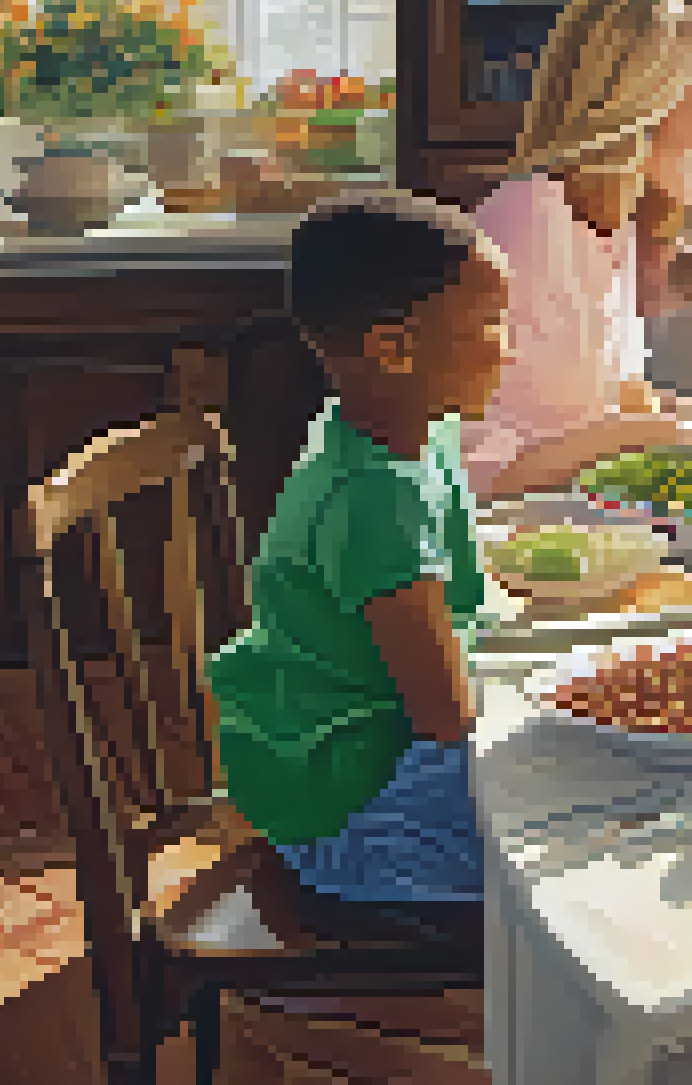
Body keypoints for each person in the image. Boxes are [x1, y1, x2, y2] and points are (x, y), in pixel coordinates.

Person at [206, 192, 514, 904]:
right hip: (359, 819)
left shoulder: (406, 434)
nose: (509, 343)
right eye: (491, 322)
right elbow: (447, 719)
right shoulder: (376, 498)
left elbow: (461, 598)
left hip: (363, 762)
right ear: (392, 349)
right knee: (570, 859)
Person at [464, 0, 692, 500]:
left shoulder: (617, 224)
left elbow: (577, 404)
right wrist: (641, 432)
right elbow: (470, 469)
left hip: (589, 533)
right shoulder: (525, 224)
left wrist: (665, 408)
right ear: (636, 105)